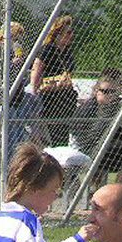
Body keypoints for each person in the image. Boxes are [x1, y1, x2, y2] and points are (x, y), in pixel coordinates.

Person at [0, 21, 43, 154]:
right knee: (7, 140)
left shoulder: (11, 52)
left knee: (19, 137)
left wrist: (21, 63)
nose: (17, 42)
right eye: (15, 38)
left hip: (16, 100)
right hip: (1, 101)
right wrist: (11, 64)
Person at [30, 14, 78, 147]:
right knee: (49, 137)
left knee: (63, 136)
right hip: (49, 97)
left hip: (65, 98)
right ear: (58, 33)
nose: (71, 35)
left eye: (71, 32)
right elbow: (36, 71)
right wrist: (39, 88)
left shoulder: (67, 51)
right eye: (68, 32)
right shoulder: (48, 49)